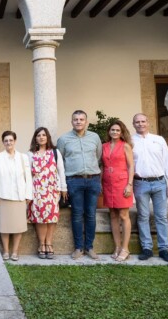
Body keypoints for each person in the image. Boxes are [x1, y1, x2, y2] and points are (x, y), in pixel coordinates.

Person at [57, 110, 102, 260]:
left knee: (90, 214)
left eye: (81, 119)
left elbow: (98, 156)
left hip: (92, 179)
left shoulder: (94, 137)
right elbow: (60, 162)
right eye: (75, 119)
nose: (78, 122)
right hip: (74, 180)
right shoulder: (63, 139)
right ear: (71, 122)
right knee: (76, 214)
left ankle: (89, 247)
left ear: (86, 122)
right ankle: (78, 248)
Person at [132, 113, 168, 263]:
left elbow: (167, 162)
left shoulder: (159, 140)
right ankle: (147, 248)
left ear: (148, 122)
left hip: (159, 182)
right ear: (133, 124)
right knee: (143, 216)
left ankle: (164, 249)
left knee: (161, 216)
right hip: (140, 183)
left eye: (143, 121)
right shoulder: (130, 142)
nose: (140, 124)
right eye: (137, 122)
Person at [0, 131, 33, 261]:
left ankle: (15, 251)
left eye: (11, 140)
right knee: (5, 227)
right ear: (3, 142)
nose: (8, 143)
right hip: (3, 196)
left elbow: (28, 178)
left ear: (15, 141)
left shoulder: (23, 157)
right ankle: (6, 251)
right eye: (6, 140)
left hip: (19, 196)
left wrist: (28, 195)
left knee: (18, 226)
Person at [27, 127, 67, 259]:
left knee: (51, 218)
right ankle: (41, 244)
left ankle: (49, 243)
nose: (41, 137)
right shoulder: (31, 154)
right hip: (37, 191)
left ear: (48, 137)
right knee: (40, 218)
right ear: (35, 138)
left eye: (44, 135)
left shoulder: (55, 152)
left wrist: (63, 188)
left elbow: (61, 171)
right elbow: (27, 175)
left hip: (52, 190)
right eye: (38, 135)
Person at [101, 120, 134, 262]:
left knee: (123, 214)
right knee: (113, 215)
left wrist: (130, 184)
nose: (114, 132)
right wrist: (100, 182)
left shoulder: (125, 146)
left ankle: (125, 248)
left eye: (117, 130)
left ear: (121, 132)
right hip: (108, 183)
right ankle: (117, 246)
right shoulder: (104, 146)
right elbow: (102, 166)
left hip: (122, 182)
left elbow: (131, 166)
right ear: (109, 131)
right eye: (112, 130)